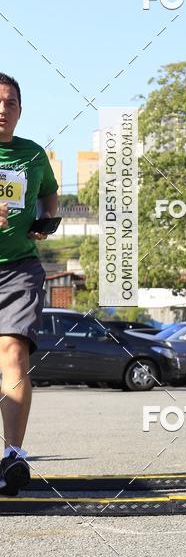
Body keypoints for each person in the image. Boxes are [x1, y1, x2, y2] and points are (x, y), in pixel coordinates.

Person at [0, 73, 58, 495]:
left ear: (20, 111)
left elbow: (50, 194)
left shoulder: (33, 155)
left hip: (19, 267)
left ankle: (14, 454)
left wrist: (46, 221)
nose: (3, 108)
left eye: (11, 102)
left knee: (13, 351)